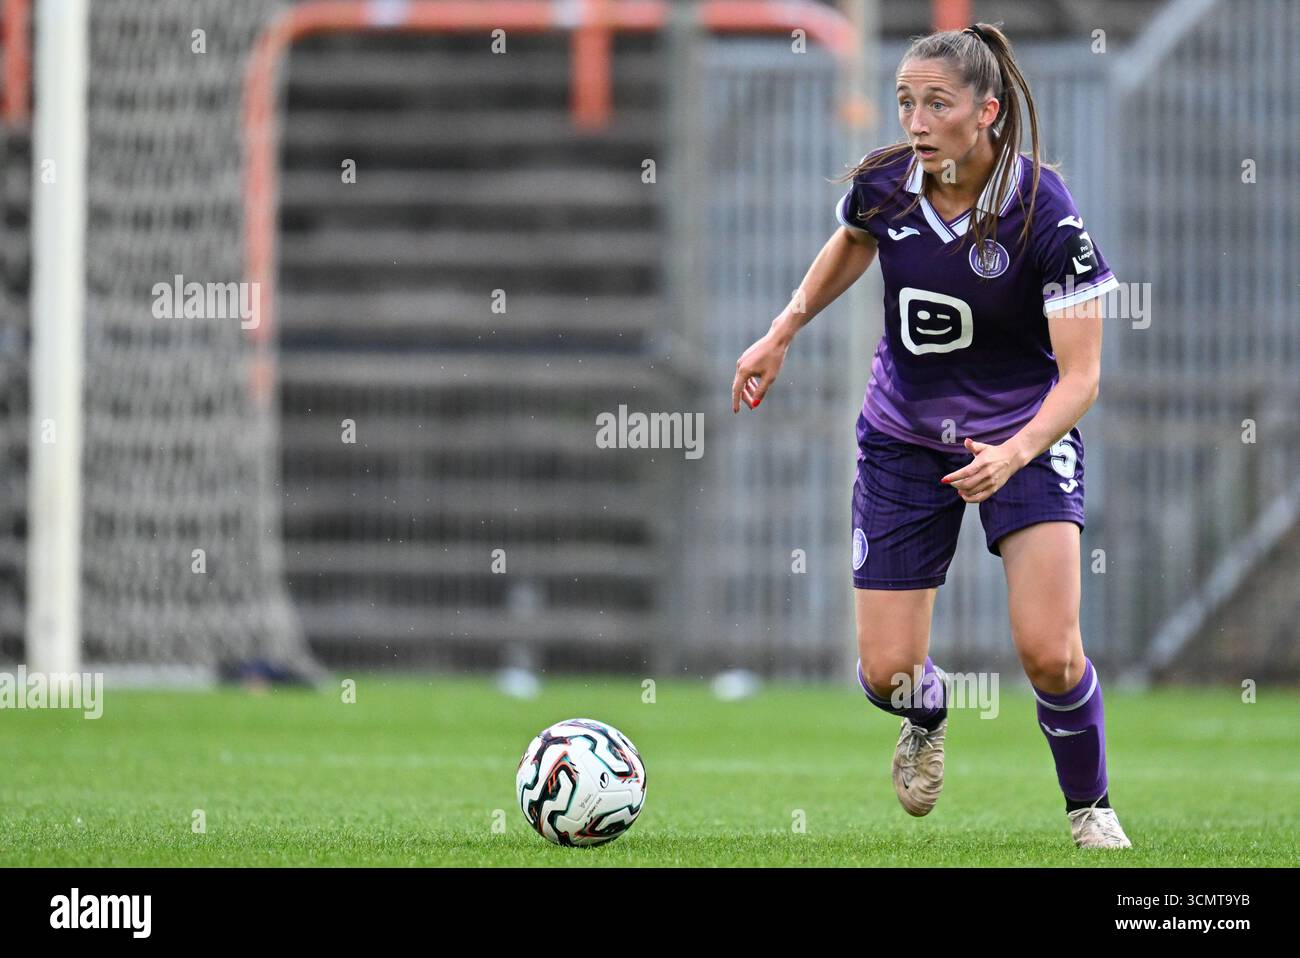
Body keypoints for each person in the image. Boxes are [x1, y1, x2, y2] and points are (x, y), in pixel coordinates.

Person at [730, 23, 1130, 849]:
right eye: (906, 99)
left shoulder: (1044, 212)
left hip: (1023, 436)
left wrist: (1014, 453)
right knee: (887, 673)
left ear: (985, 113)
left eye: (935, 103)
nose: (914, 118)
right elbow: (852, 238)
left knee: (1050, 654)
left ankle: (1091, 810)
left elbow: (1082, 378)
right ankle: (929, 712)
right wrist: (784, 328)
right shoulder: (888, 184)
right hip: (904, 438)